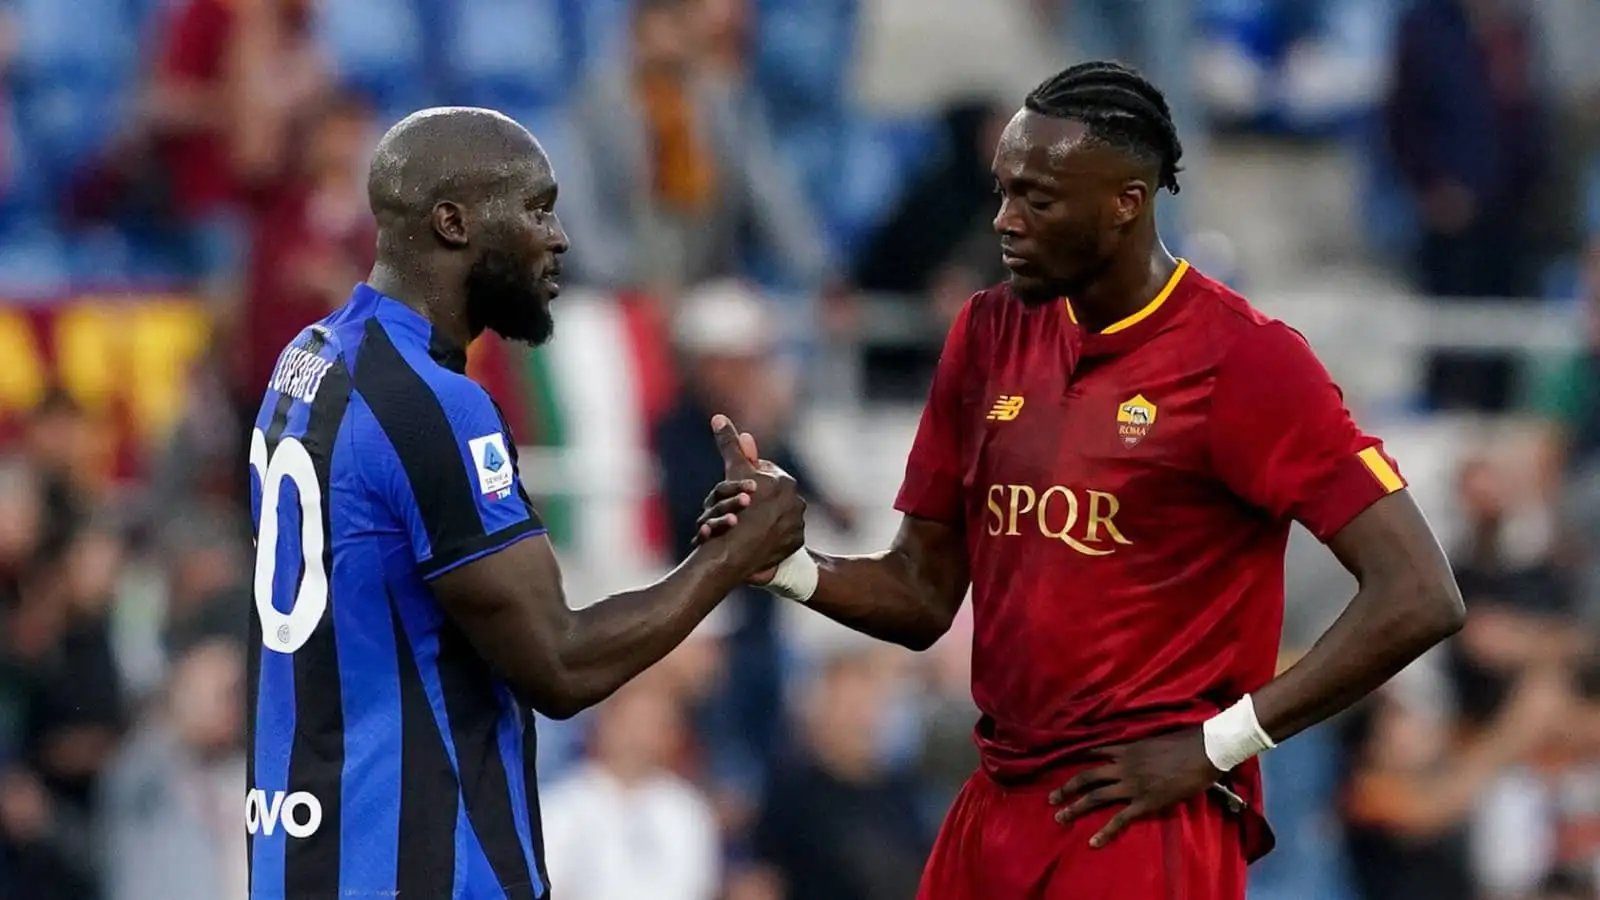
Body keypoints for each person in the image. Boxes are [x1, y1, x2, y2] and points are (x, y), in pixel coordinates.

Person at [694, 62, 1465, 900]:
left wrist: (1218, 744)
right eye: (1002, 192)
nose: (1004, 222)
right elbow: (921, 595)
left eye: (1038, 199)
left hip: (1139, 810)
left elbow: (1419, 592)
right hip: (997, 800)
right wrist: (786, 565)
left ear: (1126, 203)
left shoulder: (1245, 360)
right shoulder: (988, 332)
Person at [244, 106, 806, 900]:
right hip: (422, 868)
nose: (560, 236)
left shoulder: (306, 361)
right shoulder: (437, 404)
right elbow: (560, 663)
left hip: (303, 858)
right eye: (537, 208)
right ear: (453, 222)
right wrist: (730, 559)